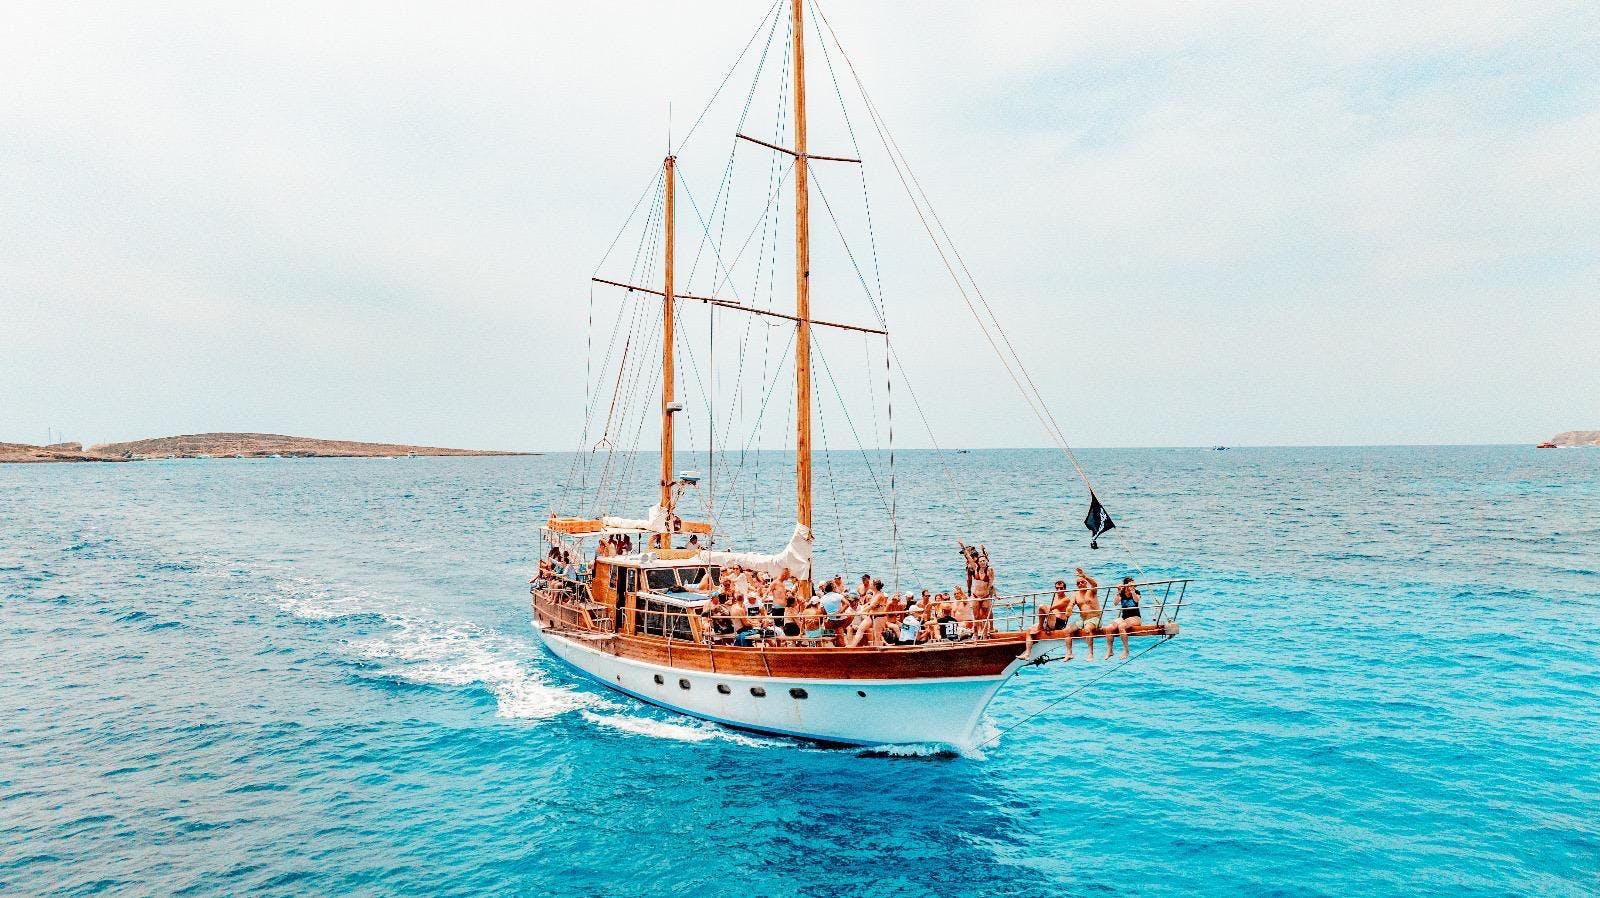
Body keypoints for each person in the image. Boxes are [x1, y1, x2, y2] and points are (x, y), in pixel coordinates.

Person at [1070, 567, 1105, 659]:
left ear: (1086, 583)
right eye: (1078, 583)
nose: (1080, 584)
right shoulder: (1075, 594)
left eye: (1082, 582)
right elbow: (1071, 604)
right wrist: (1069, 609)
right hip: (1083, 620)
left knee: (1087, 629)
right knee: (1068, 630)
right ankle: (1069, 653)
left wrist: (1084, 576)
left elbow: (1095, 584)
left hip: (1095, 619)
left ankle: (1090, 653)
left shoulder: (1092, 591)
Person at [1107, 577, 1143, 659]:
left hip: (1135, 617)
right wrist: (1118, 591)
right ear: (1126, 585)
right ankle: (1110, 650)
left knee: (1121, 626)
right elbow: (1115, 603)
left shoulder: (1136, 592)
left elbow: (1136, 600)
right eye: (1131, 584)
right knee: (1109, 628)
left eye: (1134, 585)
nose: (1133, 586)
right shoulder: (1122, 593)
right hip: (1124, 618)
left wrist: (1133, 591)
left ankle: (1126, 650)